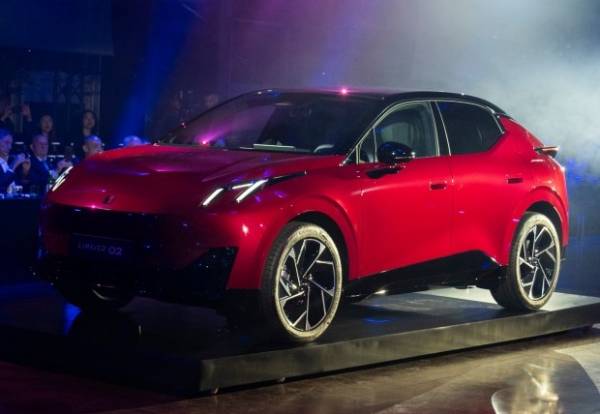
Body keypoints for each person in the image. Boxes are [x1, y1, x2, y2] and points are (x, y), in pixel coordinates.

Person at [0, 128, 29, 193]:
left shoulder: (10, 160)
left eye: (11, 143)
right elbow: (1, 185)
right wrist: (14, 164)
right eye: (6, 142)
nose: (10, 147)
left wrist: (25, 172)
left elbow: (19, 186)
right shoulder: (13, 163)